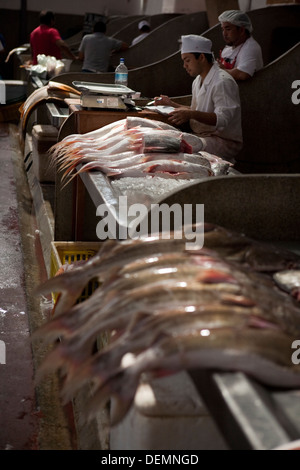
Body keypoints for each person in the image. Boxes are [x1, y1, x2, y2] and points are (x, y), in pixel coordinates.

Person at [154, 34, 243, 162]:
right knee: (164, 138)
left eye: (187, 60)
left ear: (201, 57)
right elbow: (196, 110)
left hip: (223, 142)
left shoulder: (222, 81)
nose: (184, 65)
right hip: (203, 136)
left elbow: (222, 119)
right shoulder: (198, 80)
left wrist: (190, 114)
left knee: (174, 147)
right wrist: (171, 104)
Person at [217, 10, 263, 81]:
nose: (224, 34)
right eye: (223, 29)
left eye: (228, 29)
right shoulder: (228, 48)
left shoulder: (250, 47)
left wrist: (219, 71)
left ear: (241, 30)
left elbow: (242, 74)